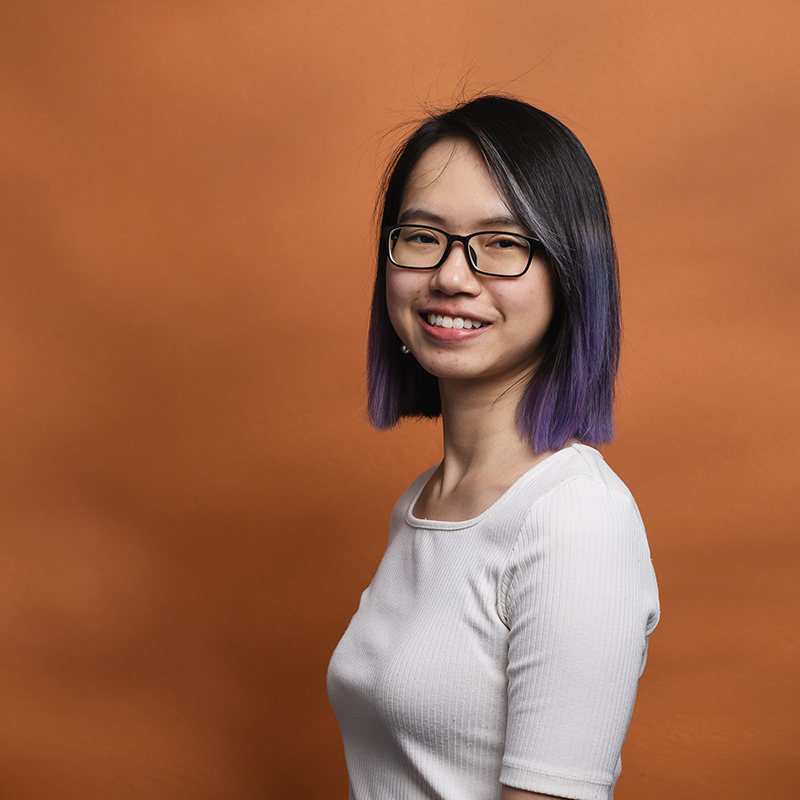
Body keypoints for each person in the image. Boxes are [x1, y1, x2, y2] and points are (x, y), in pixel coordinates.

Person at [327, 94, 659, 800]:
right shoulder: (422, 504)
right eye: (421, 236)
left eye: (502, 243)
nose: (451, 276)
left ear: (571, 273)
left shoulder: (576, 521)